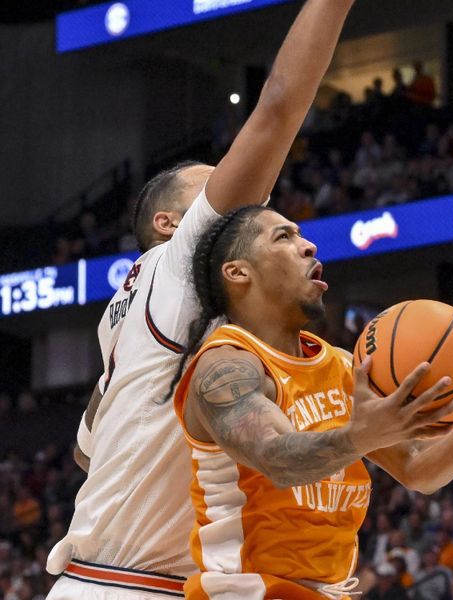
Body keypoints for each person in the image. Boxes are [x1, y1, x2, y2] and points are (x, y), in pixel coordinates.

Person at [45, 2, 359, 598]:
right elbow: (278, 108)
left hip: (114, 578)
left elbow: (88, 455)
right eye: (213, 188)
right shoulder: (178, 263)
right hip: (128, 584)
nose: (240, 201)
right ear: (169, 223)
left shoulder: (129, 318)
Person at [171, 205, 453, 598]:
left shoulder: (344, 366)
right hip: (245, 590)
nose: (308, 245)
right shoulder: (225, 366)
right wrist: (356, 439)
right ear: (238, 271)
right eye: (283, 237)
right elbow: (275, 457)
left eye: (301, 235)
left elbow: (416, 471)